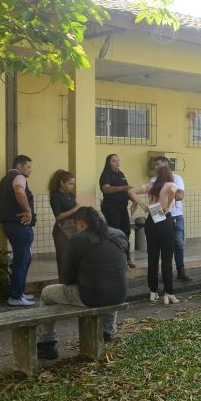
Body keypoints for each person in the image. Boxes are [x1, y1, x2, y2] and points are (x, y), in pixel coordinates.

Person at [36, 207, 128, 360]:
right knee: (110, 282)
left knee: (47, 293)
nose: (75, 229)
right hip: (121, 294)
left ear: (81, 225)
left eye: (75, 226)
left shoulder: (78, 240)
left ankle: (47, 344)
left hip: (91, 297)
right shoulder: (118, 234)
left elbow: (66, 280)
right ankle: (108, 331)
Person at [128, 165, 180, 304]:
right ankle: (168, 293)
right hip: (165, 219)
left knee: (152, 258)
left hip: (151, 220)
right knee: (167, 259)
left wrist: (142, 205)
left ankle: (153, 291)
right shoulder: (171, 184)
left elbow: (131, 191)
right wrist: (168, 205)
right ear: (169, 175)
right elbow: (173, 191)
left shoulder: (151, 186)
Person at [0, 155, 37, 306]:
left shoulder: (4, 180)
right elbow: (19, 191)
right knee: (22, 260)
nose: (30, 170)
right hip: (19, 225)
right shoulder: (19, 177)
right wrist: (28, 211)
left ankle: (19, 292)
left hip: (9, 224)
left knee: (23, 259)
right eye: (28, 167)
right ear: (19, 166)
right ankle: (15, 296)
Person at [151, 156, 190, 282]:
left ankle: (181, 270)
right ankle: (163, 274)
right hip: (159, 215)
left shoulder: (177, 178)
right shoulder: (153, 180)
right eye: (155, 164)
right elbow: (153, 201)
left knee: (178, 244)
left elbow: (179, 196)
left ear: (166, 166)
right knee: (161, 246)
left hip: (175, 215)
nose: (155, 167)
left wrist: (163, 199)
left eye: (158, 164)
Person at [99, 154, 135, 268]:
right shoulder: (106, 174)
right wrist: (123, 188)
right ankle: (118, 258)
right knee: (117, 232)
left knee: (126, 232)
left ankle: (127, 257)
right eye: (114, 161)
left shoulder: (121, 174)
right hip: (111, 208)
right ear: (108, 163)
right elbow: (106, 188)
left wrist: (134, 199)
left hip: (122, 208)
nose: (117, 163)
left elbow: (127, 190)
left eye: (118, 160)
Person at [48, 170, 79, 282]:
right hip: (62, 230)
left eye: (73, 184)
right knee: (63, 258)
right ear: (62, 182)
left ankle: (74, 281)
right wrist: (74, 209)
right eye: (70, 184)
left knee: (74, 257)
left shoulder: (70, 194)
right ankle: (63, 283)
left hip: (74, 227)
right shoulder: (55, 197)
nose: (72, 186)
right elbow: (59, 216)